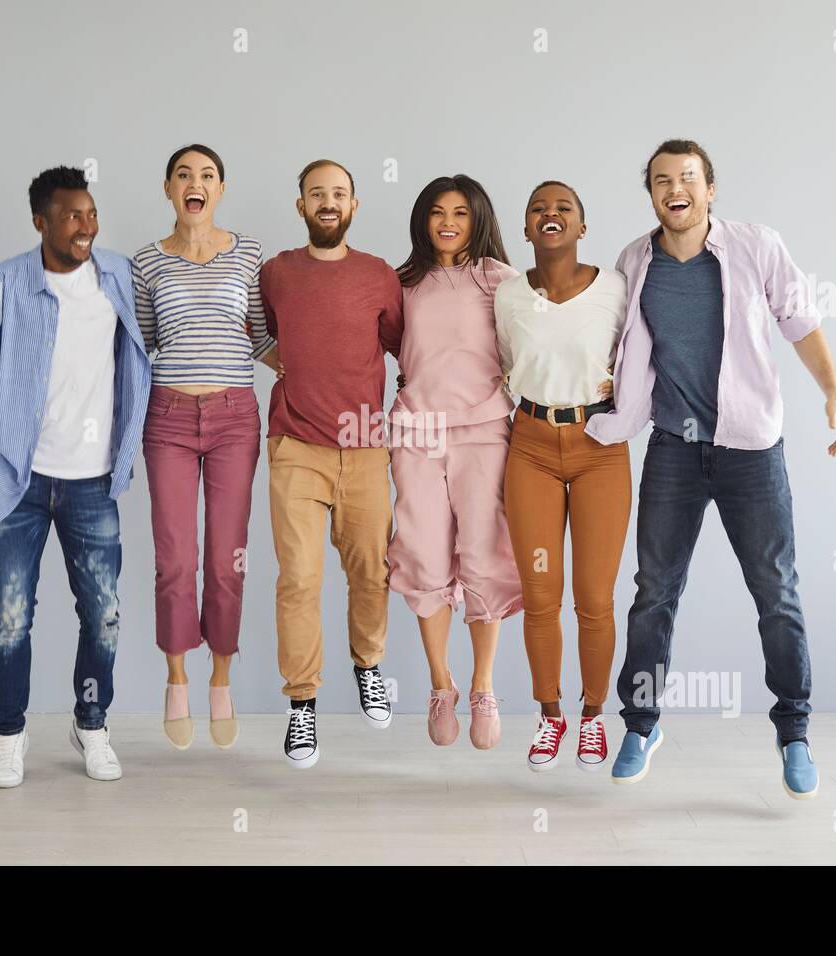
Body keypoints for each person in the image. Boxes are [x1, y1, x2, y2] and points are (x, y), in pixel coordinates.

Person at [587, 140, 836, 800]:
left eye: (688, 178)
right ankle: (641, 724)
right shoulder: (634, 261)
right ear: (650, 193)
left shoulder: (755, 246)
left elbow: (800, 320)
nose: (674, 188)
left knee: (776, 591)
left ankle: (794, 732)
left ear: (710, 190)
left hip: (750, 449)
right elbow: (613, 349)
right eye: (660, 180)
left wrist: (833, 392)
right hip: (672, 451)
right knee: (654, 592)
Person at [0, 166, 151, 788]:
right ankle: (8, 735)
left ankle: (91, 722)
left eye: (91, 214)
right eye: (72, 216)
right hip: (21, 481)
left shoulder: (118, 275)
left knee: (105, 613)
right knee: (11, 614)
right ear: (40, 222)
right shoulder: (1, 283)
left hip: (93, 480)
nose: (86, 226)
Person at [132, 144, 281, 751]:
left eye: (207, 176)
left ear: (221, 189)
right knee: (175, 558)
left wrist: (324, 377)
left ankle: (221, 678)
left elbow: (264, 341)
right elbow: (142, 346)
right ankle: (177, 678)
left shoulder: (248, 254)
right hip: (166, 416)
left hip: (233, 418)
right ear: (168, 188)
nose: (196, 184)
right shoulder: (145, 262)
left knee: (226, 557)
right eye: (184, 175)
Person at [261, 159, 404, 769]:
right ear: (300, 205)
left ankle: (367, 663)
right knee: (299, 579)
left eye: (338, 194)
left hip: (367, 446)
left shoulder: (378, 276)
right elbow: (258, 333)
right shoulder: (276, 273)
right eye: (316, 193)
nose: (327, 202)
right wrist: (279, 363)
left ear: (353, 205)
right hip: (296, 447)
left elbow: (404, 346)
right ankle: (302, 706)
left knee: (372, 573)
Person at [495, 181, 630, 772]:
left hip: (600, 447)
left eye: (563, 209)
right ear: (526, 229)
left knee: (595, 599)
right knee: (541, 597)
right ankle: (550, 717)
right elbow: (506, 365)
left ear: (581, 226)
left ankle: (594, 717)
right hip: (529, 449)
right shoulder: (506, 296)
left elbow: (640, 355)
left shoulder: (615, 289)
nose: (551, 215)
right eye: (538, 210)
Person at [387, 175, 523, 750]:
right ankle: (441, 685)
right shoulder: (401, 284)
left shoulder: (501, 280)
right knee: (420, 552)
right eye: (437, 212)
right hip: (414, 431)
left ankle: (483, 685)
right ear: (422, 220)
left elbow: (530, 349)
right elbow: (376, 345)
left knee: (486, 554)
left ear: (478, 219)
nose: (448, 222)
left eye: (461, 213)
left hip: (485, 430)